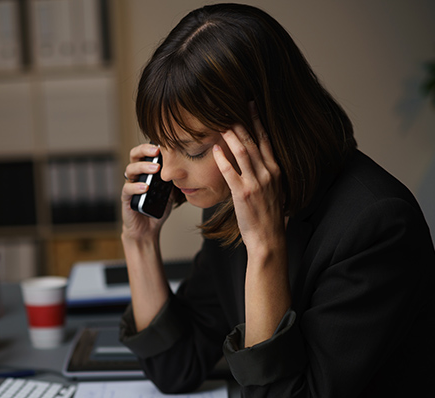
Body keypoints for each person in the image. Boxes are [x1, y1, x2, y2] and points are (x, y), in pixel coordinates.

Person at [119, 3, 435, 397]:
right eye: (162, 146)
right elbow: (175, 366)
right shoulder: (234, 201)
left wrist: (265, 248)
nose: (167, 173)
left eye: (194, 150)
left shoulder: (378, 228)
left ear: (263, 127)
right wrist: (140, 241)